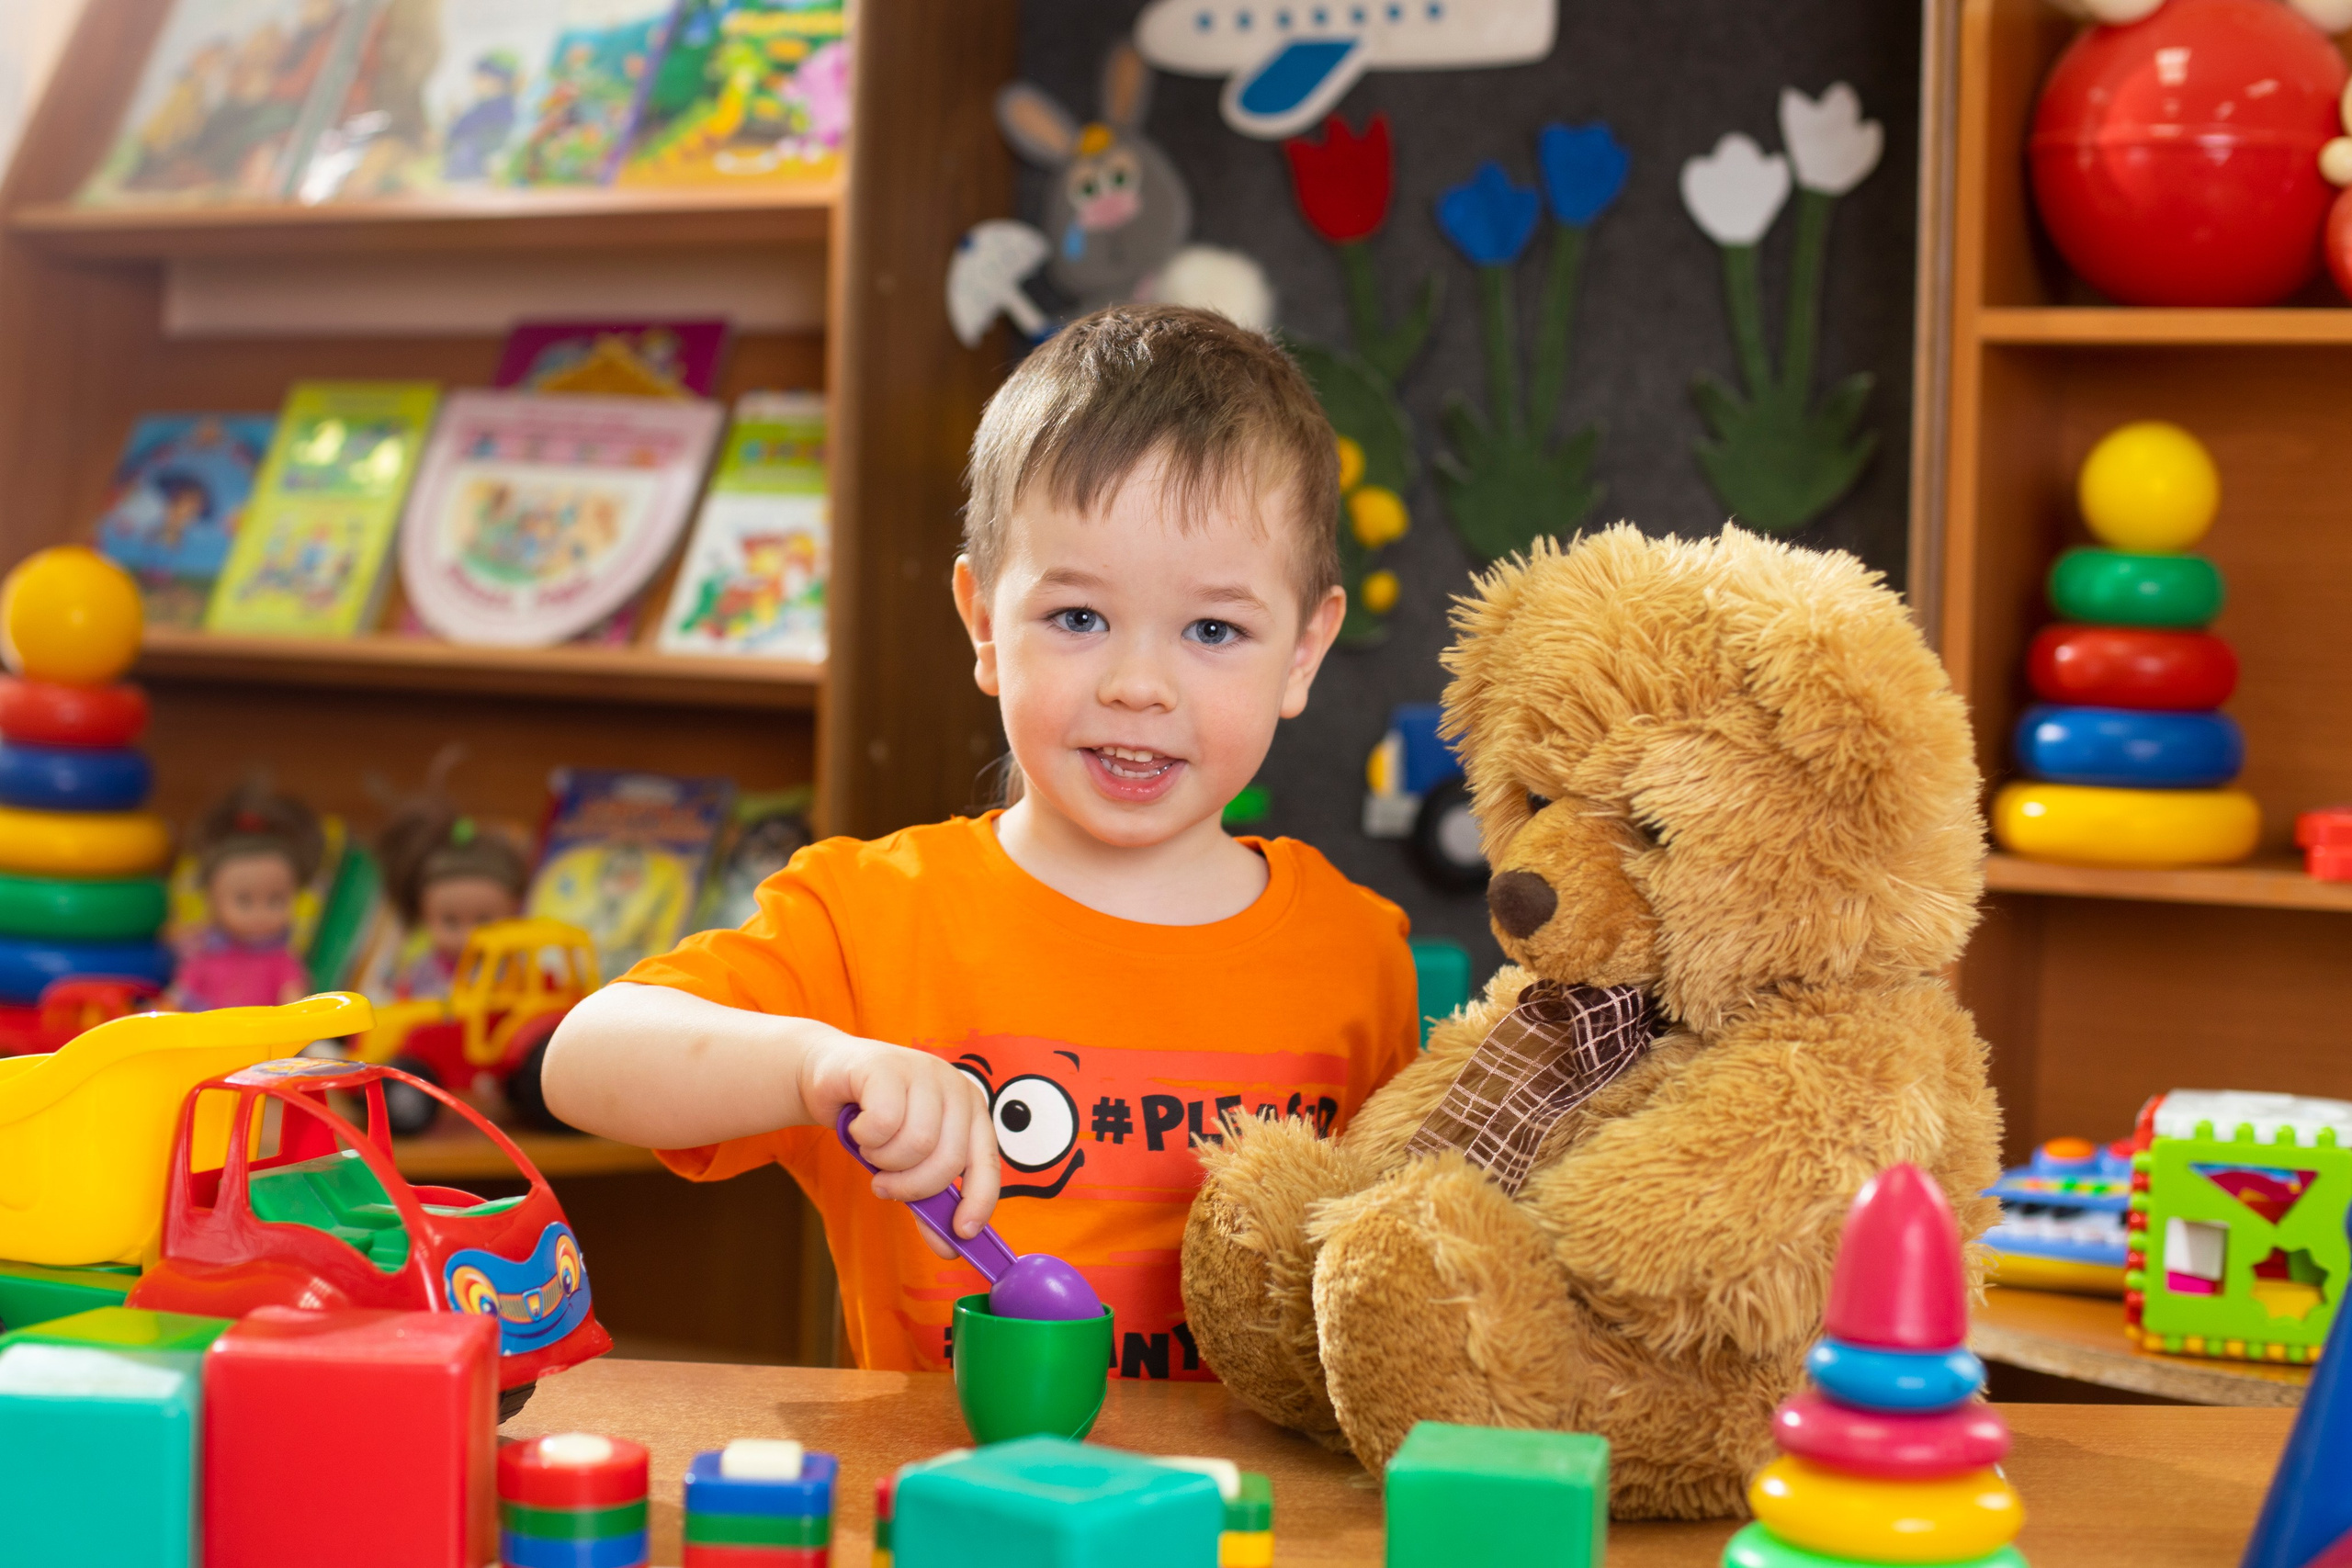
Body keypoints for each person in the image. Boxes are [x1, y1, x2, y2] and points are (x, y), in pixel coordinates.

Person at [543, 305, 1419, 1378]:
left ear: (1303, 651)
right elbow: (586, 1059)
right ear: (982, 623)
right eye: (1078, 618)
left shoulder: (1357, 951)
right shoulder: (874, 916)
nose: (1137, 686)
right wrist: (822, 1063)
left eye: (1213, 631)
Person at [173, 782, 322, 1010]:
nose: (260, 913)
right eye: (244, 900)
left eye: (275, 900)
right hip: (209, 1040)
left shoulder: (282, 962)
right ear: (212, 899)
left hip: (266, 1043)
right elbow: (180, 994)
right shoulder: (205, 956)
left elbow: (294, 1001)